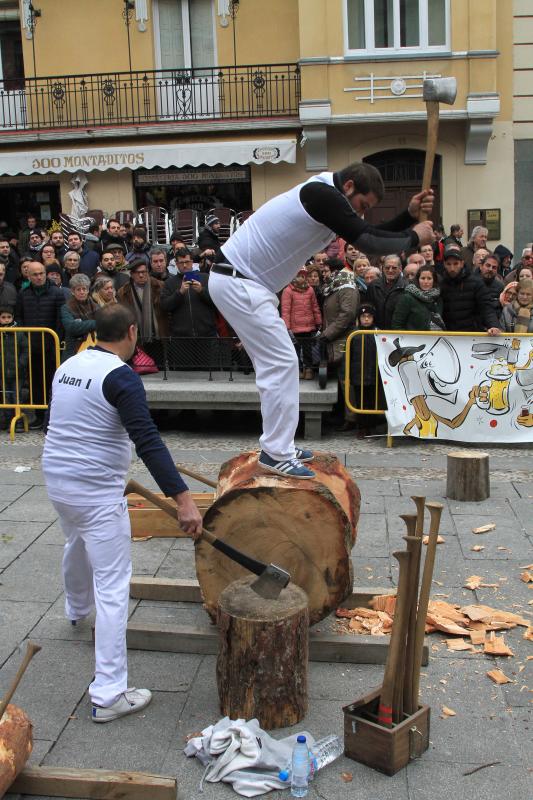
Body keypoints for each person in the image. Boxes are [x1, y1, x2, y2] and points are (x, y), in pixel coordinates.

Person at [208, 162, 433, 478]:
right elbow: (369, 241)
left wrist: (408, 216)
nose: (362, 213)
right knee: (282, 362)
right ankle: (276, 451)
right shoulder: (320, 193)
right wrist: (413, 236)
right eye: (362, 205)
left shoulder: (328, 196)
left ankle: (279, 444)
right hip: (240, 281)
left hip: (243, 282)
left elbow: (370, 233)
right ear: (350, 186)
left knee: (279, 363)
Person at [42, 304, 203, 722]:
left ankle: (76, 609)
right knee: (113, 586)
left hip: (59, 479)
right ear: (132, 332)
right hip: (94, 491)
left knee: (75, 540)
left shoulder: (69, 364)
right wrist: (183, 502)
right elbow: (147, 440)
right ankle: (109, 692)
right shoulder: (121, 376)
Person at [15, 261, 65, 429]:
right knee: (35, 381)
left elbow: (60, 319)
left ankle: (53, 415)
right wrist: (23, 335)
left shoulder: (56, 293)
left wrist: (56, 339)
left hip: (51, 344)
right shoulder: (23, 293)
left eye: (41, 273)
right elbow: (19, 316)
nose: (38, 277)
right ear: (28, 276)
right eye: (34, 274)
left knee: (53, 381)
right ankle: (39, 415)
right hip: (31, 345)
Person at [439, 247, 501, 333]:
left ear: (462, 263)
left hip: (471, 334)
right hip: (448, 333)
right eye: (449, 264)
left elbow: (487, 308)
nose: (452, 268)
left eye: (455, 264)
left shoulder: (476, 283)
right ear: (444, 265)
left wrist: (494, 326)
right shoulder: (441, 284)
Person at [281, 268, 322, 380]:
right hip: (295, 327)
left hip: (309, 326)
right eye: (299, 275)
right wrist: (287, 327)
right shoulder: (288, 290)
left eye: (303, 276)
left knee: (308, 349)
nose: (301, 278)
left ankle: (308, 370)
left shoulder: (310, 290)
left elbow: (315, 307)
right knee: (295, 350)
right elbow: (285, 310)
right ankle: (298, 370)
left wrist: (318, 321)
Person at [117, 259, 169, 343]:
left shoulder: (160, 286)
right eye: (137, 273)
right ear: (131, 274)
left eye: (143, 272)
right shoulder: (123, 293)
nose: (141, 275)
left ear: (148, 272)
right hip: (137, 339)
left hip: (160, 337)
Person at [0, 306, 29, 430]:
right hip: (2, 370)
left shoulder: (19, 332)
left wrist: (21, 363)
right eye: (3, 317)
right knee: (6, 396)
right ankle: (6, 420)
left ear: (13, 318)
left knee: (16, 396)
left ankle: (18, 421)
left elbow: (25, 349)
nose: (6, 320)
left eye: (9, 317)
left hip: (17, 371)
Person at [391, 265, 444, 331]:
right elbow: (397, 325)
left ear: (434, 280)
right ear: (418, 280)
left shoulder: (438, 299)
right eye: (423, 278)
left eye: (429, 278)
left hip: (435, 339)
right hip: (412, 340)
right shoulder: (407, 298)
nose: (426, 282)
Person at [60, 274, 98, 360]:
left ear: (88, 290)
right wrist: (94, 323)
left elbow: (103, 323)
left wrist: (82, 325)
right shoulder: (66, 308)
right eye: (78, 289)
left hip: (94, 349)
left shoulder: (96, 306)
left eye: (84, 289)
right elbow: (71, 327)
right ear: (72, 291)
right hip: (73, 351)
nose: (82, 292)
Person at [366, 254, 407, 328]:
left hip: (399, 333)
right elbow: (368, 309)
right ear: (382, 268)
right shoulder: (373, 286)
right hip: (377, 332)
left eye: (394, 268)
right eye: (387, 268)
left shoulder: (407, 287)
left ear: (400, 268)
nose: (390, 270)